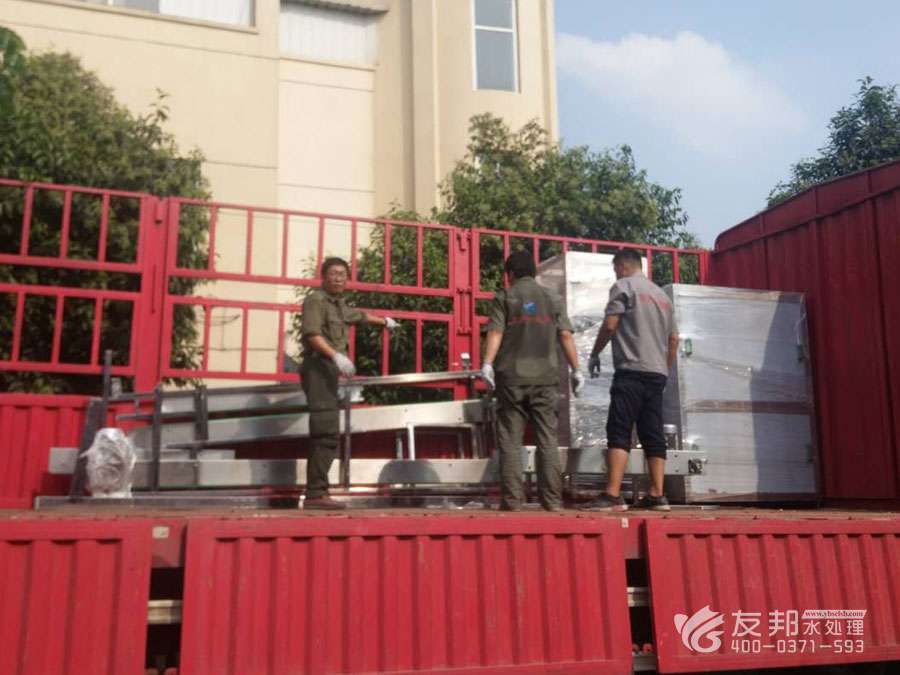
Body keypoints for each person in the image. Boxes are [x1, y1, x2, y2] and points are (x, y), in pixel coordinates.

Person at [481, 250, 585, 511]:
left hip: (511, 378)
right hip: (546, 379)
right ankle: (552, 501)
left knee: (510, 440)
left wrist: (487, 363)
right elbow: (565, 335)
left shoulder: (505, 297)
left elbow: (495, 332)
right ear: (534, 272)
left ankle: (512, 502)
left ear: (510, 274)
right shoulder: (552, 298)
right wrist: (576, 370)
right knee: (547, 439)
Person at [581, 248, 678, 512]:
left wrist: (595, 353)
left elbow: (610, 325)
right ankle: (657, 495)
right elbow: (673, 340)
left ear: (623, 266)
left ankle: (612, 495)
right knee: (652, 432)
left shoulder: (623, 286)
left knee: (619, 429)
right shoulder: (663, 297)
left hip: (631, 371)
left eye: (616, 270)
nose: (616, 274)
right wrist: (664, 369)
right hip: (656, 374)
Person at [299, 256, 398, 510]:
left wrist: (384, 322)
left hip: (328, 370)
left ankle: (317, 491)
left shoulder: (339, 304)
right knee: (325, 430)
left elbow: (359, 316)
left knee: (327, 431)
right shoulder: (316, 300)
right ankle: (315, 494)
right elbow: (312, 335)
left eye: (342, 274)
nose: (338, 278)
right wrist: (336, 356)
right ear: (323, 277)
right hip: (318, 367)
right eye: (333, 273)